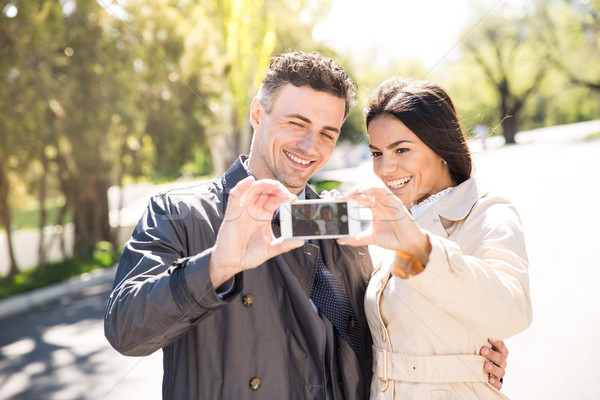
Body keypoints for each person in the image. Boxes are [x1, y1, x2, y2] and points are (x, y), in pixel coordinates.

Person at [104, 52, 508, 400]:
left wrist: (463, 353)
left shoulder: (339, 218)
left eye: (327, 133)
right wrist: (218, 265)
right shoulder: (184, 213)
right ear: (258, 114)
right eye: (297, 124)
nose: (310, 147)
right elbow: (126, 331)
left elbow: (383, 325)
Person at [338, 77, 532, 399]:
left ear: (440, 147)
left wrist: (420, 249)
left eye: (401, 149)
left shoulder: (488, 213)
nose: (385, 168)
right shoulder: (391, 221)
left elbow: (512, 311)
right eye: (376, 153)